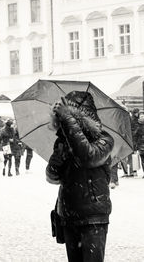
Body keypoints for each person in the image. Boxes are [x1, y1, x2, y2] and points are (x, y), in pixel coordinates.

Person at [46, 91, 114, 262]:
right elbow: (52, 177)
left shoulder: (104, 139)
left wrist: (68, 120)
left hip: (93, 217)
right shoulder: (63, 140)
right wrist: (56, 161)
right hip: (69, 214)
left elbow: (88, 157)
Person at [124, 108, 140, 178]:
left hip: (131, 141)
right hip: (129, 140)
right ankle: (130, 171)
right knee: (129, 157)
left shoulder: (133, 121)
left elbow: (133, 131)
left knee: (131, 157)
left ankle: (132, 171)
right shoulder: (131, 120)